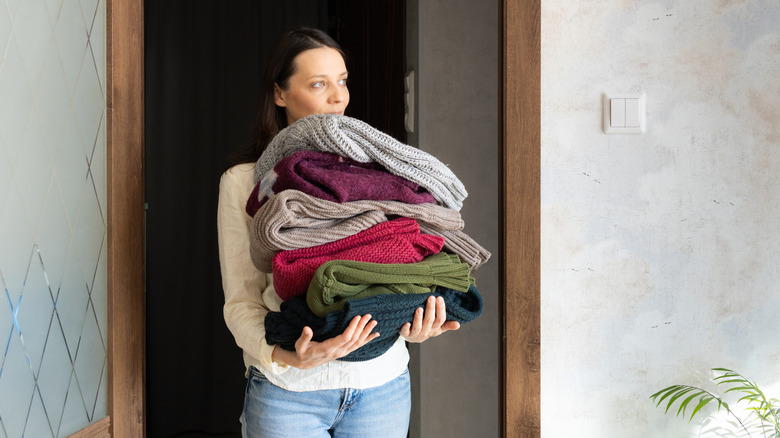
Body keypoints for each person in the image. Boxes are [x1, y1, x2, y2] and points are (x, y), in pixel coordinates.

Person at [217, 27, 460, 437]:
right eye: (318, 84)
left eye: (342, 81)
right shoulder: (245, 182)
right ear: (280, 93)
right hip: (289, 393)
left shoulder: (381, 170)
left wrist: (413, 316)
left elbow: (403, 267)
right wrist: (288, 356)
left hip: (381, 386)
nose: (337, 97)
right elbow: (240, 301)